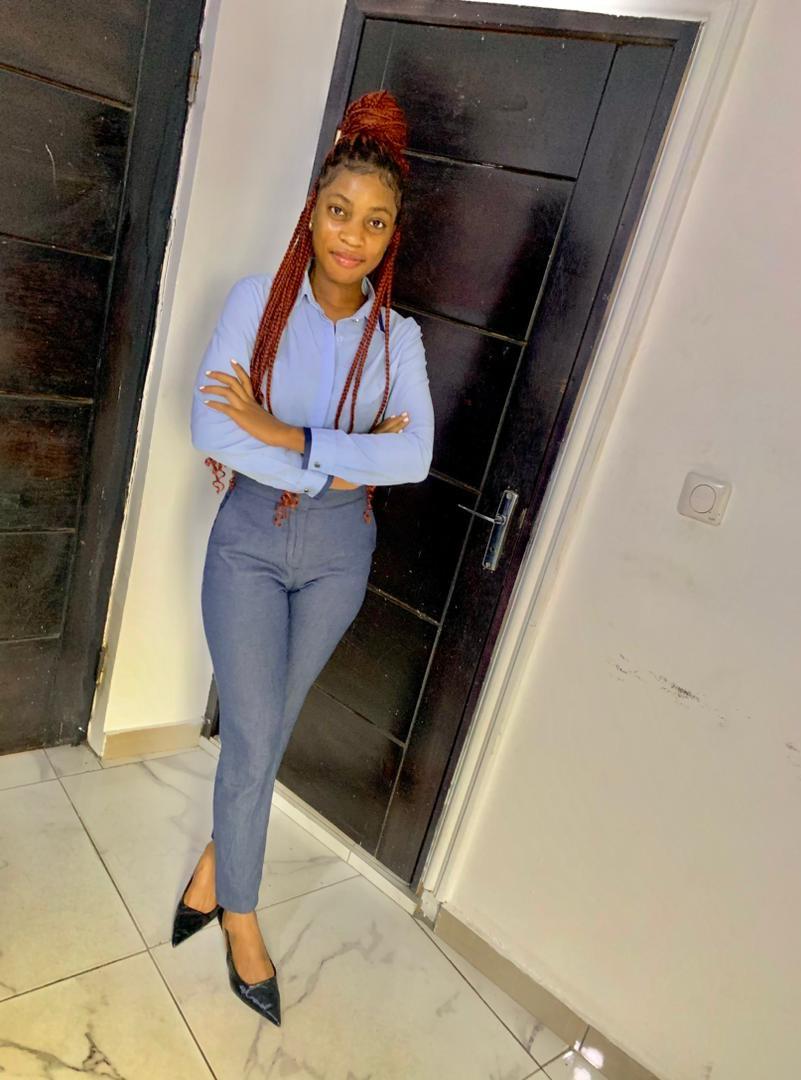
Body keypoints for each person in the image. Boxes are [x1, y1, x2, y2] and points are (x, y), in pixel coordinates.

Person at [170, 91, 434, 1027]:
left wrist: (281, 432)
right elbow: (212, 426)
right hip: (249, 539)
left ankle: (215, 864)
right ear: (312, 214)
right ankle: (240, 916)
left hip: (338, 556)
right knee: (254, 732)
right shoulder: (258, 304)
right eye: (338, 212)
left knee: (268, 728)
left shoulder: (397, 339)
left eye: (375, 221)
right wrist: (343, 458)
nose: (352, 236)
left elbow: (415, 457)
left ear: (391, 236)